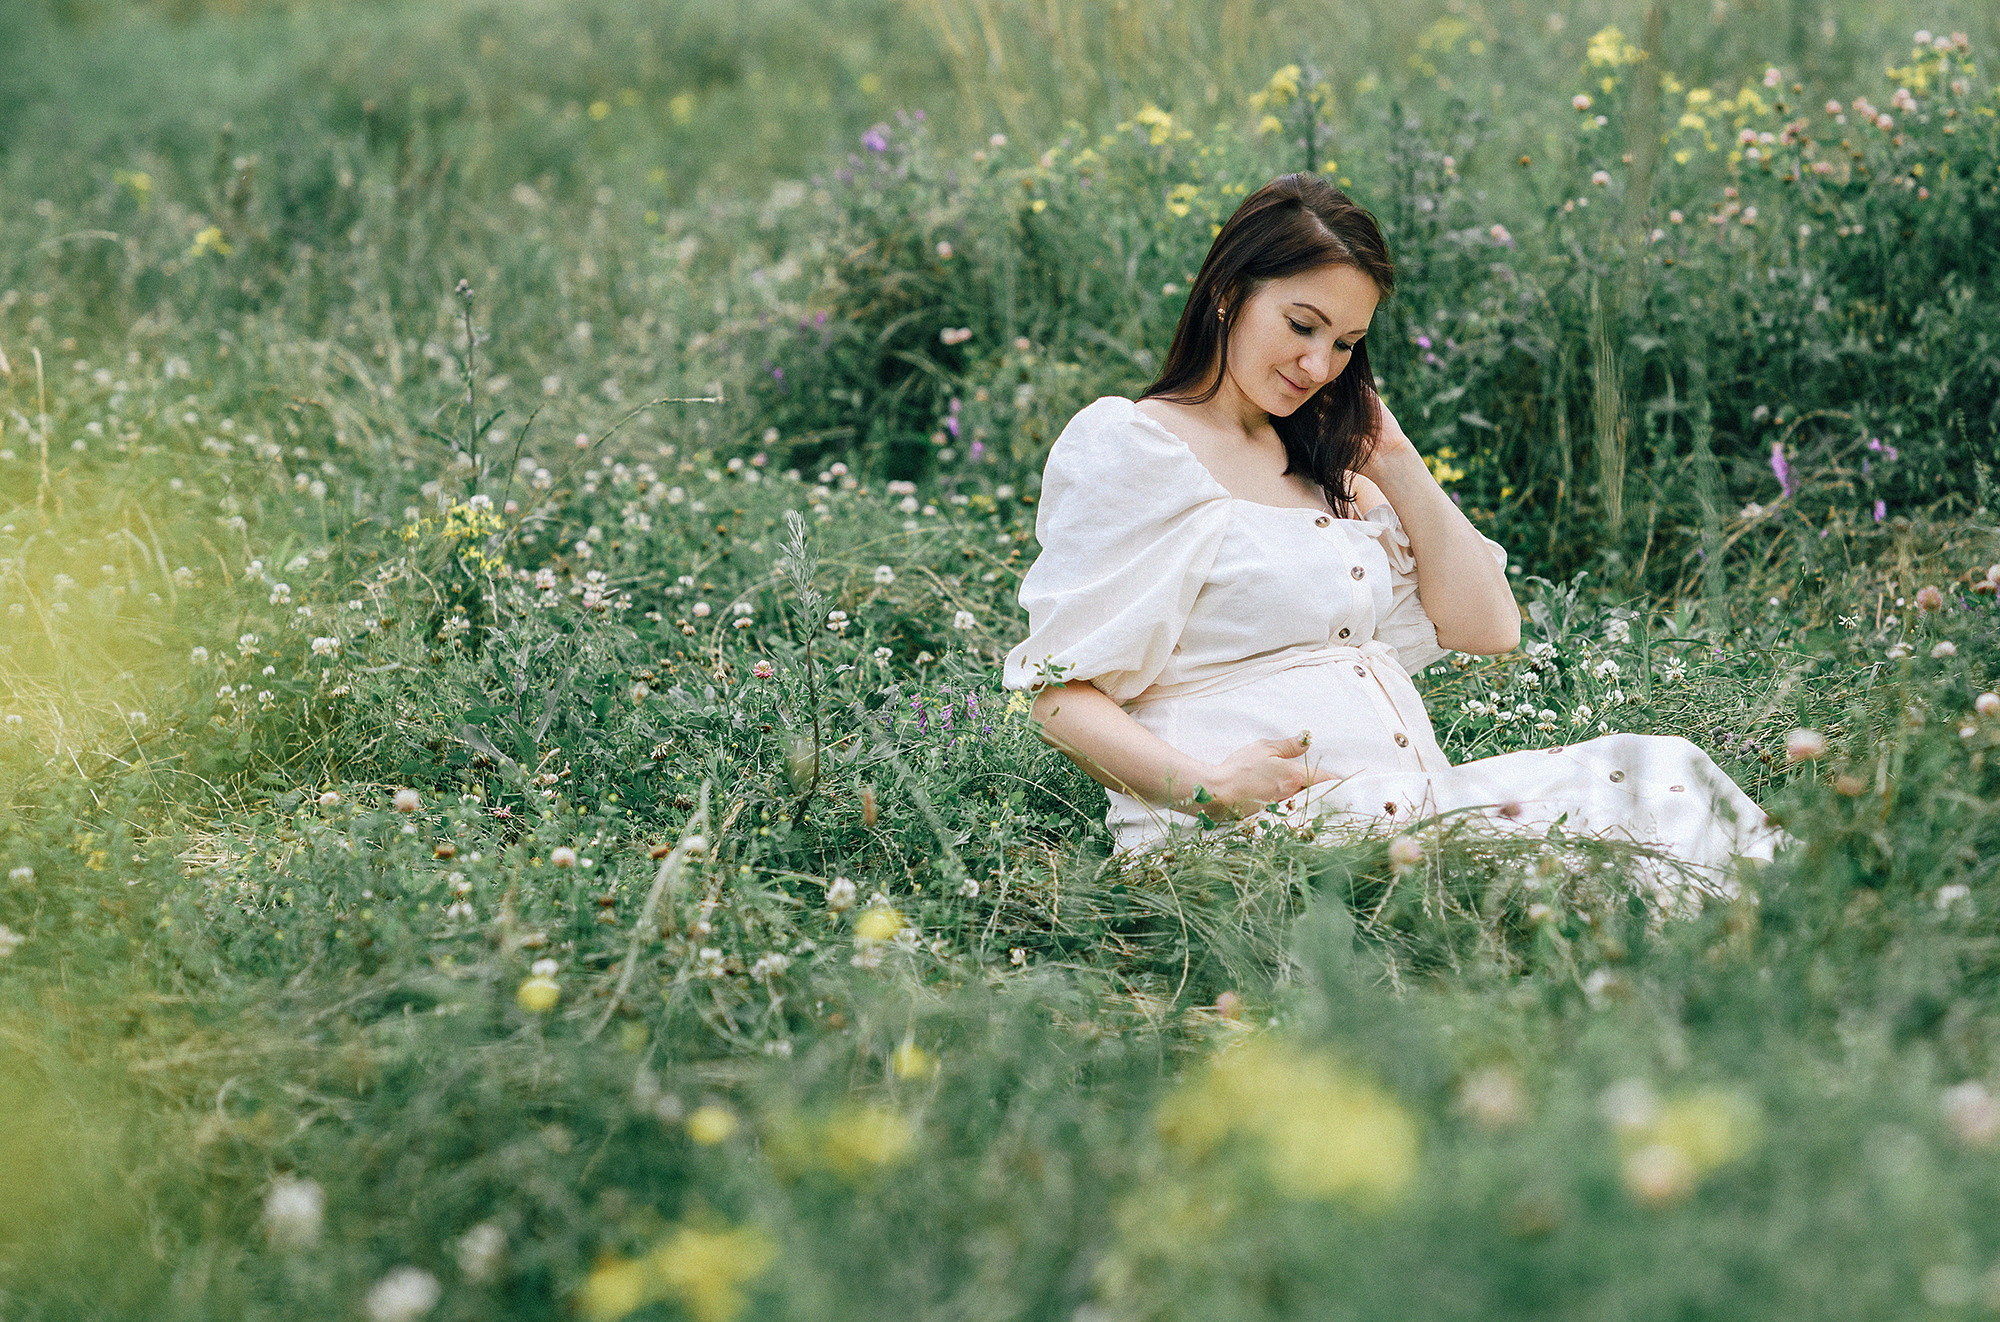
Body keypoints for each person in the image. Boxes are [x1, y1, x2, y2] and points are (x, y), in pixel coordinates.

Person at [1000, 173, 1784, 899]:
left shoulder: (1329, 474)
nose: (1318, 364)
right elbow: (1058, 694)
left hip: (1394, 817)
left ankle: (1781, 941)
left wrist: (1399, 463)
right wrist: (1205, 788)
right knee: (1639, 796)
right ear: (1229, 295)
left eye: (1345, 343)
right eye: (1301, 325)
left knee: (1662, 780)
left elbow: (1490, 628)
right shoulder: (1140, 450)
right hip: (1240, 838)